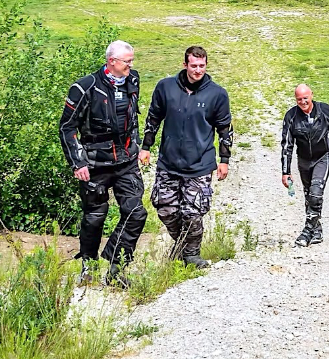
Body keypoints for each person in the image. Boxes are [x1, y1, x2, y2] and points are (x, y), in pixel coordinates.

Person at [59, 40, 147, 286]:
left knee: (136, 213)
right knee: (95, 217)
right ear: (112, 62)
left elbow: (133, 116)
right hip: (95, 164)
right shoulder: (85, 87)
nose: (131, 65)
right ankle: (88, 265)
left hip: (126, 161)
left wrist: (138, 146)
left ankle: (117, 268)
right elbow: (67, 128)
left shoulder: (133, 80)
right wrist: (78, 163)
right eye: (127, 61)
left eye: (131, 61)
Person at [139, 45, 233, 268]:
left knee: (193, 213)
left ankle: (191, 255)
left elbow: (225, 130)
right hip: (168, 162)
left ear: (206, 66)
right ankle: (181, 245)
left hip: (199, 164)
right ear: (185, 65)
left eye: (202, 66)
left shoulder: (217, 94)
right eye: (193, 66)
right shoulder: (166, 87)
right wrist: (145, 147)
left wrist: (225, 160)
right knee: (164, 207)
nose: (198, 70)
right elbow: (153, 118)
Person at [281, 84, 329, 247]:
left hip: (323, 156)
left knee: (316, 193)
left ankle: (307, 231)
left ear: (311, 96)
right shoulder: (291, 116)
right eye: (299, 99)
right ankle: (317, 231)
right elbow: (287, 145)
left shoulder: (324, 110)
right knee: (309, 196)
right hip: (304, 159)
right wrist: (286, 171)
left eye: (305, 98)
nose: (303, 102)